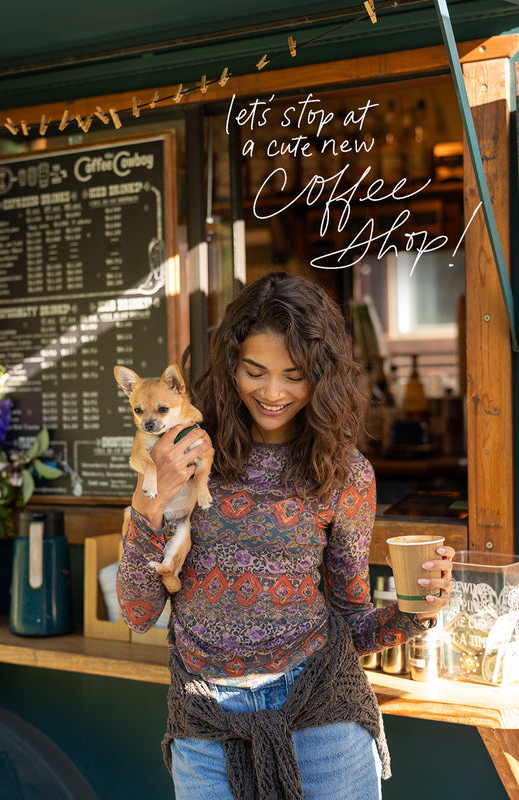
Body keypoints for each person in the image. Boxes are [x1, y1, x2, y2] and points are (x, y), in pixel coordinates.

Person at [117, 271, 455, 800]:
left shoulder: (345, 474)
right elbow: (139, 612)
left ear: (322, 377)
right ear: (231, 368)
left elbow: (351, 622)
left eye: (295, 375)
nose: (273, 393)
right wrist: (151, 498)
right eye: (255, 371)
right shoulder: (185, 455)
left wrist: (418, 609)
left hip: (324, 713)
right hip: (206, 724)